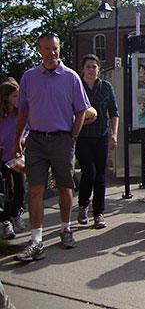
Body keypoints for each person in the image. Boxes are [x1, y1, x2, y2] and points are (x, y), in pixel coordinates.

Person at [12, 32, 91, 262]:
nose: (51, 53)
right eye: (47, 48)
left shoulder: (70, 77)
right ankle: (36, 241)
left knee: (65, 187)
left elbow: (81, 110)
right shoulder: (29, 77)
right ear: (39, 50)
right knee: (35, 189)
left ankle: (65, 229)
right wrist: (17, 139)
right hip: (35, 140)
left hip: (61, 139)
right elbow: (22, 111)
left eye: (55, 48)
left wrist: (72, 137)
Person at [75, 54, 119, 229]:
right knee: (89, 172)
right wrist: (83, 122)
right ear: (83, 69)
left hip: (101, 136)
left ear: (99, 69)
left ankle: (98, 213)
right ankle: (83, 205)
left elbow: (114, 112)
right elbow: (69, 112)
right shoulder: (77, 87)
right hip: (82, 136)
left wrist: (114, 134)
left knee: (100, 175)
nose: (91, 70)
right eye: (88, 66)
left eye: (94, 66)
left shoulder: (106, 87)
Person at [0, 78, 26, 239]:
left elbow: (27, 128)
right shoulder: (2, 115)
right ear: (6, 97)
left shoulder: (20, 113)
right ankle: (6, 221)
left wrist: (23, 139)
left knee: (20, 189)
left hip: (16, 156)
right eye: (15, 96)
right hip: (2, 157)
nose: (18, 99)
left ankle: (16, 213)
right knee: (6, 190)